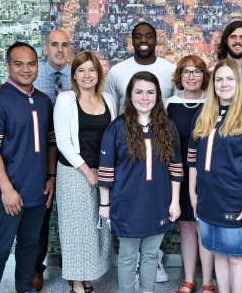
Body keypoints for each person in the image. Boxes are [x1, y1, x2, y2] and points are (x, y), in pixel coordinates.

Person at [188, 60, 242, 293]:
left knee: (236, 258)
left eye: (229, 79)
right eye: (219, 79)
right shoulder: (203, 114)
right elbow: (193, 161)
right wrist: (192, 194)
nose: (224, 84)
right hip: (207, 202)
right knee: (218, 255)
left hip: (238, 202)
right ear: (213, 84)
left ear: (239, 83)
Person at [0, 42, 57, 293]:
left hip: (37, 191)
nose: (25, 69)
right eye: (18, 64)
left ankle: (25, 289)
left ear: (37, 65)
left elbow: (50, 143)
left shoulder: (44, 101)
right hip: (6, 194)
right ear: (8, 65)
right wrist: (6, 189)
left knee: (30, 247)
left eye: (31, 63)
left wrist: (51, 177)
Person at [98, 71, 183, 293]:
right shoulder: (116, 128)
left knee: (151, 255)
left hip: (159, 202)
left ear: (157, 96)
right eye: (139, 92)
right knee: (127, 256)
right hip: (126, 204)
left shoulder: (168, 128)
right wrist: (104, 204)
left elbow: (175, 168)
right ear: (130, 95)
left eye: (150, 92)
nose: (144, 98)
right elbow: (106, 169)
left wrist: (175, 202)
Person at [53, 52, 116, 293]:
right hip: (74, 173)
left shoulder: (109, 99)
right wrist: (89, 173)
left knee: (96, 229)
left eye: (91, 70)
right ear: (74, 75)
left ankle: (87, 280)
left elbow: (114, 137)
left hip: (104, 172)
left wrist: (107, 173)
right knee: (76, 231)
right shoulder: (66, 99)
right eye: (81, 70)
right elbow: (64, 142)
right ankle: (77, 286)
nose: (87, 75)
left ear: (99, 73)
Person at [165, 56, 215, 293]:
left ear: (204, 75)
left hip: (208, 171)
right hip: (179, 172)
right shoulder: (169, 104)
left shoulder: (214, 102)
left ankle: (207, 282)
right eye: (186, 72)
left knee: (204, 225)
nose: (191, 76)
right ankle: (188, 280)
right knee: (186, 225)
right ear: (180, 76)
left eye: (196, 72)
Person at [32, 30, 72, 291]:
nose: (60, 49)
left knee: (73, 215)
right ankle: (35, 268)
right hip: (38, 155)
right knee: (40, 215)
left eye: (65, 45)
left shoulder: (80, 75)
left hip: (73, 156)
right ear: (45, 49)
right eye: (54, 44)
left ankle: (75, 267)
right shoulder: (31, 77)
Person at [106, 22, 176, 115]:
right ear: (132, 41)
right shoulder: (116, 71)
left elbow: (178, 109)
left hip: (162, 128)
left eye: (149, 36)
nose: (143, 40)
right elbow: (111, 110)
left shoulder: (172, 71)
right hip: (125, 128)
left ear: (156, 41)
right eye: (138, 36)